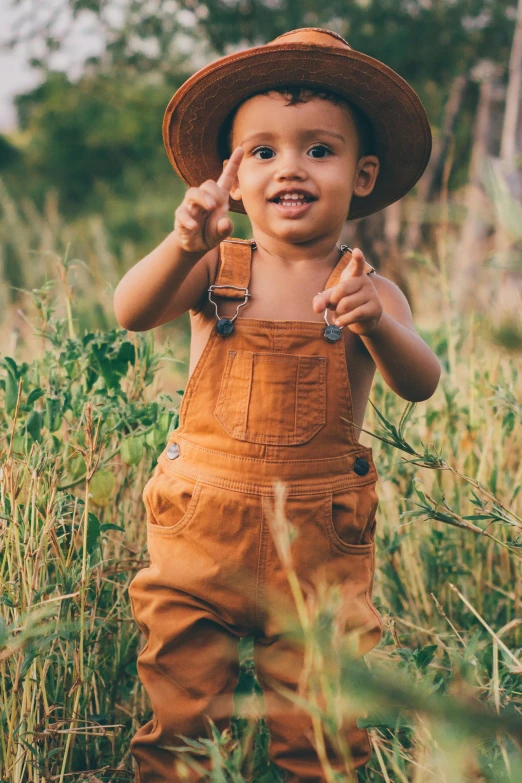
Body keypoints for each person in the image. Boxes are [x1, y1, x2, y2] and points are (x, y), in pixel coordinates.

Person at [114, 27, 441, 783]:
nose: (289, 165)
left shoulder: (370, 287)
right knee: (181, 717)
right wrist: (180, 242)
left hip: (320, 550)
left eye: (317, 150)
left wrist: (378, 323)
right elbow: (131, 311)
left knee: (324, 725)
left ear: (361, 176)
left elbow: (420, 380)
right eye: (262, 151)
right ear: (230, 178)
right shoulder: (214, 269)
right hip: (202, 539)